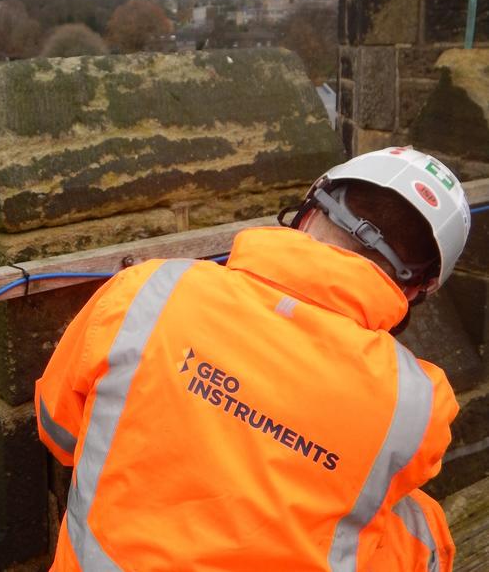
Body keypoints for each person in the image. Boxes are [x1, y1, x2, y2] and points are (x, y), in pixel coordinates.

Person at [35, 147, 470, 571]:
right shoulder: (417, 402)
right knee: (418, 525)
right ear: (415, 289)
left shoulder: (146, 289)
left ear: (310, 210)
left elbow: (59, 428)